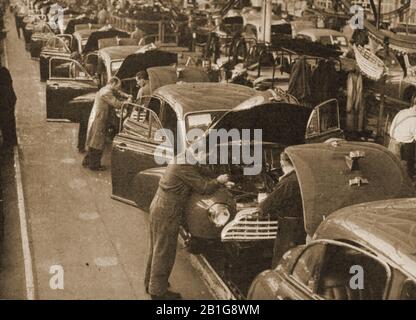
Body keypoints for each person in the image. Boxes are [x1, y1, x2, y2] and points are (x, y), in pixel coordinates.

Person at [145, 155, 230, 300]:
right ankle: (158, 293)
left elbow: (201, 171)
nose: (204, 158)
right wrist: (219, 181)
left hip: (161, 205)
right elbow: (203, 187)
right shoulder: (185, 165)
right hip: (168, 209)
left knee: (157, 247)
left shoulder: (183, 159)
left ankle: (151, 283)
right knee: (164, 251)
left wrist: (217, 180)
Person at [257, 152, 305, 268]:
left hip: (288, 227)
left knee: (282, 256)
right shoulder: (302, 177)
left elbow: (269, 204)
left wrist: (261, 204)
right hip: (302, 224)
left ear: (282, 162)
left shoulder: (287, 182)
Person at [82, 77, 131, 170]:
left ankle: (87, 161)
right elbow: (117, 104)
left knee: (94, 141)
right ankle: (94, 166)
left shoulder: (106, 89)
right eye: (118, 86)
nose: (118, 88)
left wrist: (127, 95)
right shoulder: (106, 92)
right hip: (99, 119)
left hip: (98, 117)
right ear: (113, 83)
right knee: (97, 142)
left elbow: (118, 93)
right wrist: (127, 101)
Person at [388, 96, 416, 179]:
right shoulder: (415, 120)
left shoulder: (402, 112)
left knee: (391, 171)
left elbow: (391, 129)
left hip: (392, 143)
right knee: (404, 175)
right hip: (402, 148)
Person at [0, 66, 17, 148]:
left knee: (7, 121)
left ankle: (9, 143)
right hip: (8, 100)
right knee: (8, 121)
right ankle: (11, 141)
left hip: (6, 101)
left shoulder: (3, 72)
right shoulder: (4, 71)